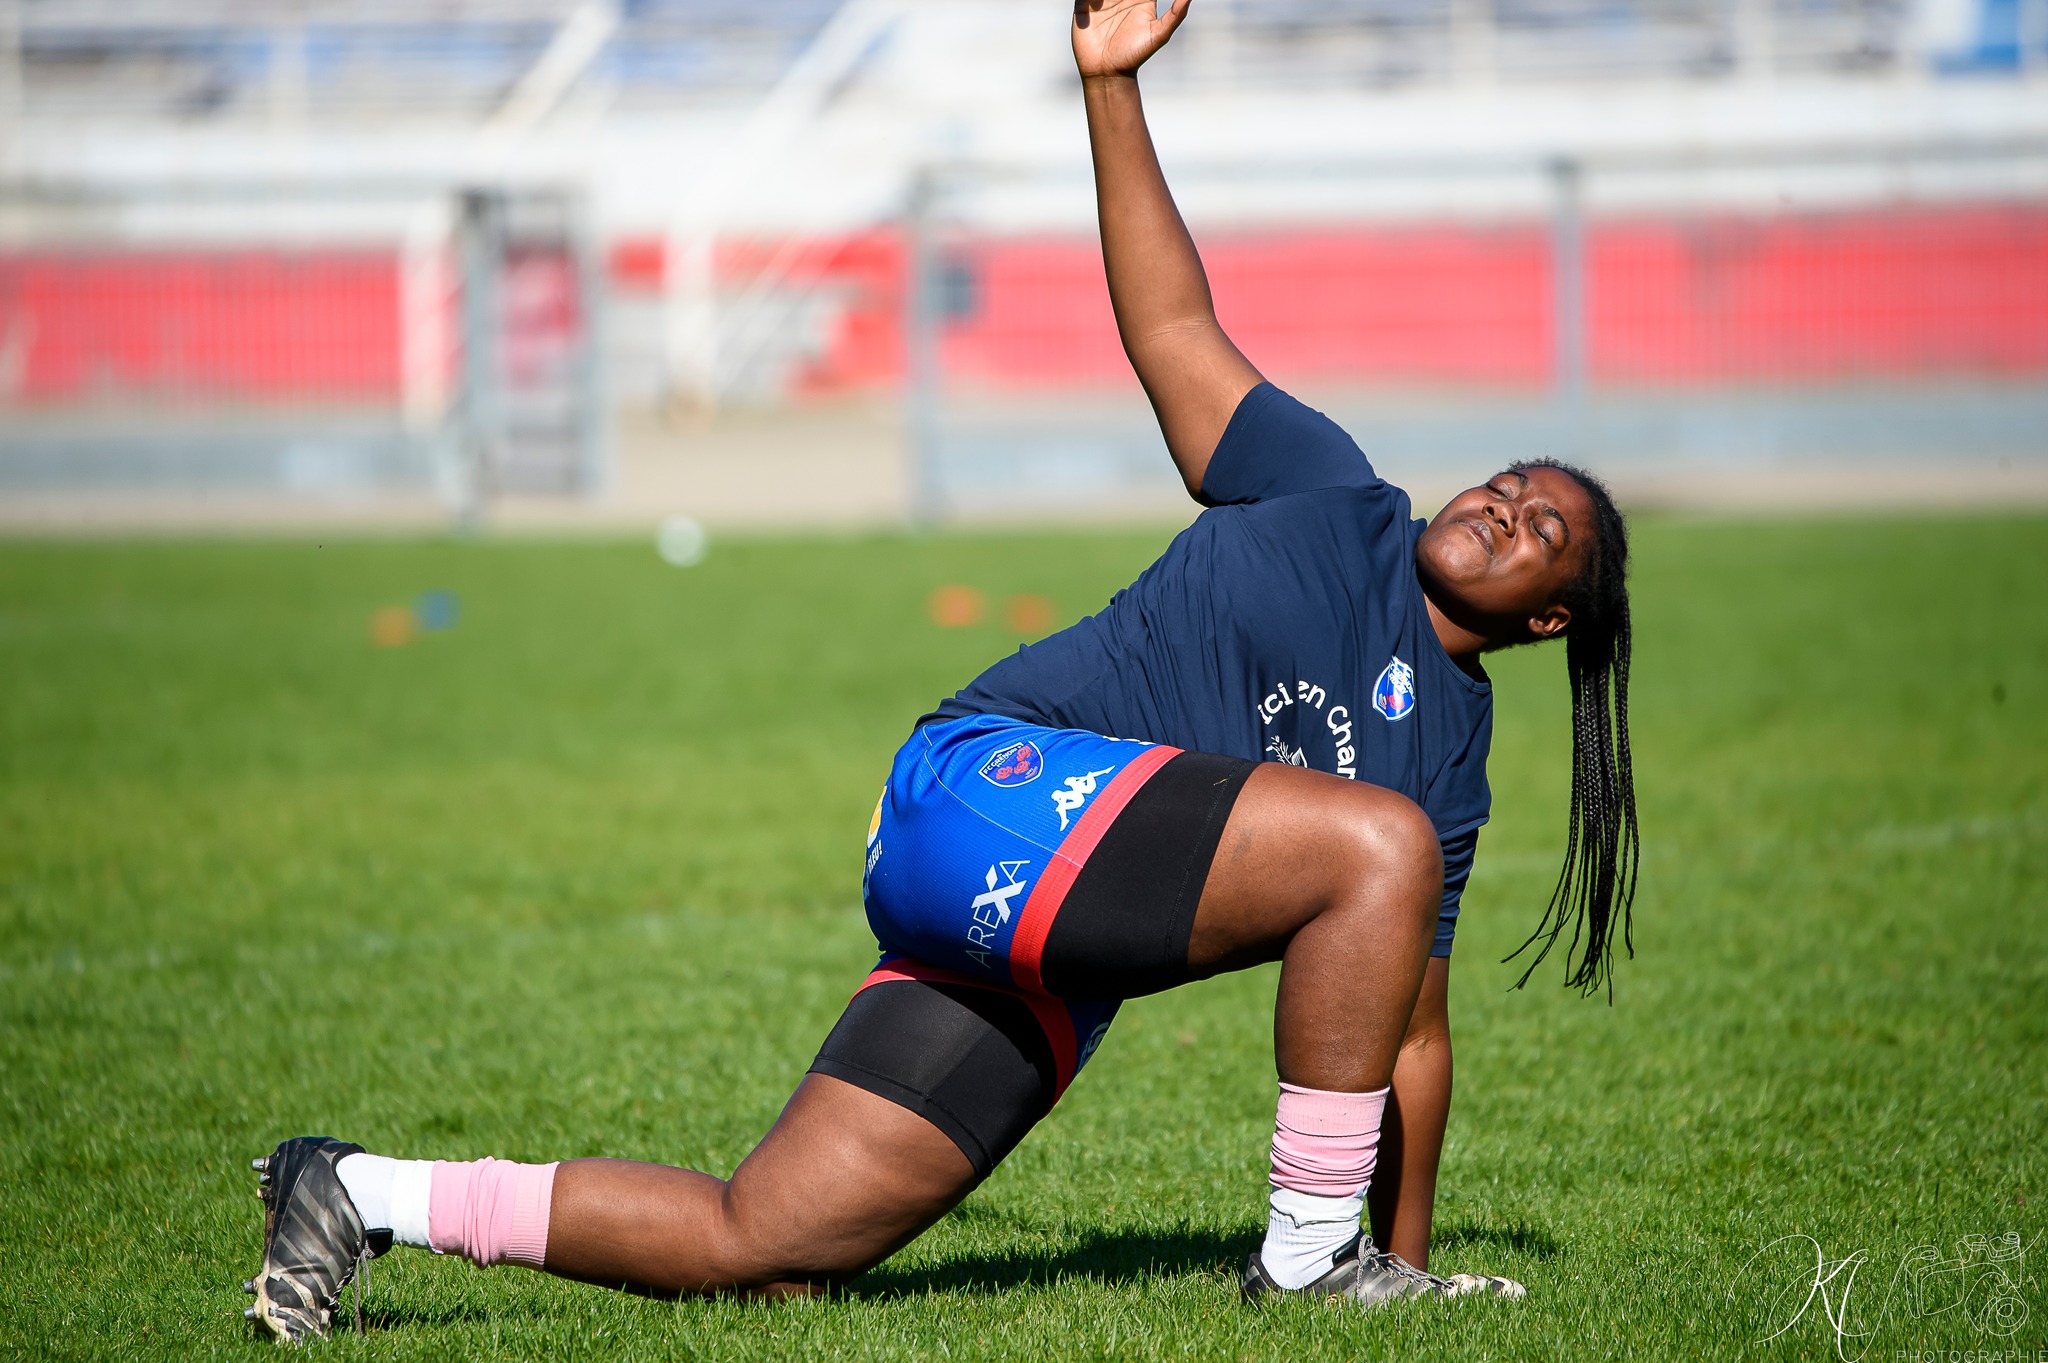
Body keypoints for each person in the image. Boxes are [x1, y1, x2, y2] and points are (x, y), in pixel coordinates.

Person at [241, 0, 1639, 1342]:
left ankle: (354, 1193)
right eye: (1511, 483)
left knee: (769, 1246)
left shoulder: (1445, 767)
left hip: (1058, 949)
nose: (1506, 508)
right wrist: (1111, 86)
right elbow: (1173, 332)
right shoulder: (1332, 495)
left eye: (1544, 534)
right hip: (985, 791)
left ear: (1549, 624)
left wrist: (1413, 1260)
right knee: (1376, 845)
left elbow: (1405, 1038)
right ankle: (1309, 1263)